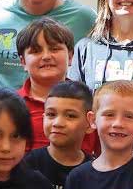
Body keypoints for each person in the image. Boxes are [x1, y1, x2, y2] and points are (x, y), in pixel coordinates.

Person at [17, 18, 96, 153]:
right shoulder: (11, 105)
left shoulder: (91, 103)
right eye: (36, 51)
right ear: (23, 61)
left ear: (70, 57)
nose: (46, 56)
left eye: (54, 49)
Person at [24, 79, 95, 189]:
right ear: (43, 118)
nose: (58, 123)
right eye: (51, 114)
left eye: (71, 116)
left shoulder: (95, 170)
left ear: (90, 123)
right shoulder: (28, 164)